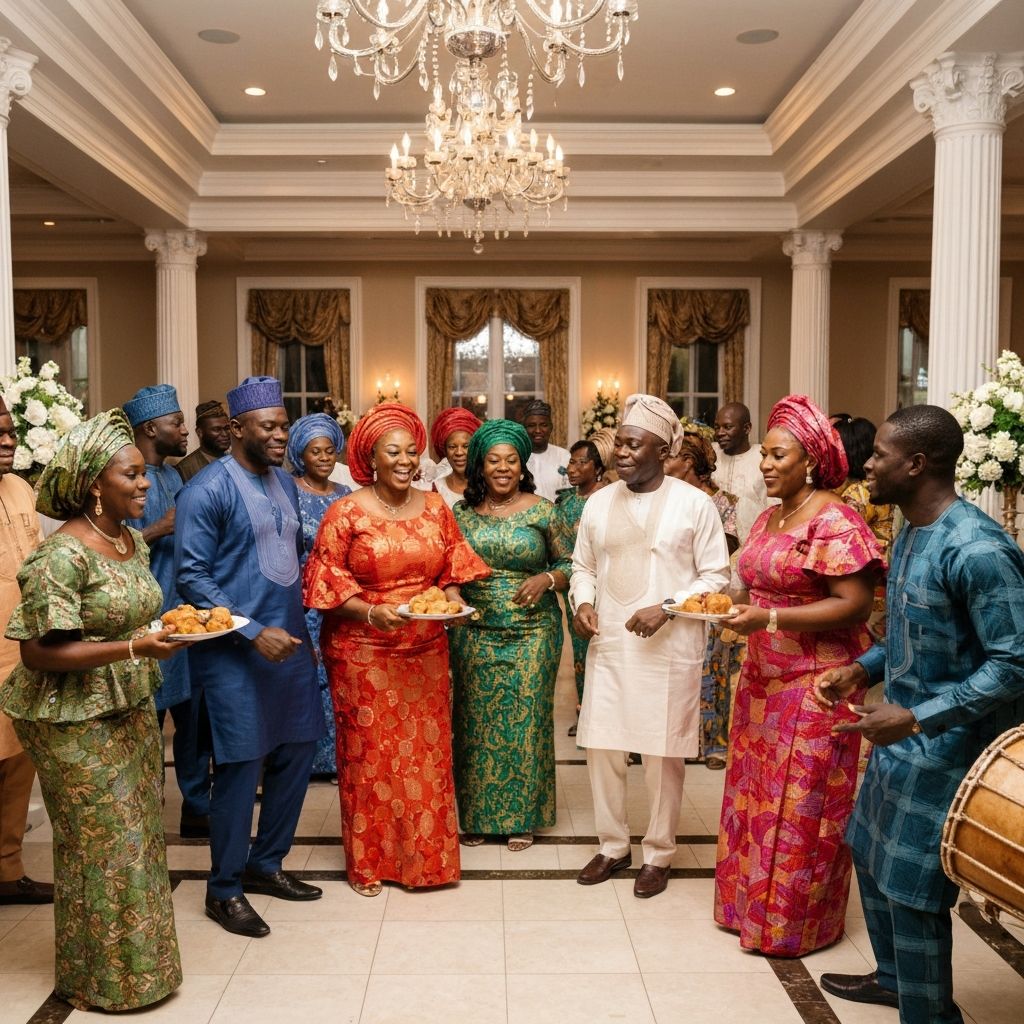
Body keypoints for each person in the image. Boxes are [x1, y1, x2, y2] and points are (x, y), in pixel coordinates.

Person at [815, 405, 1024, 1024]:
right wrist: (862, 670)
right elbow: (911, 630)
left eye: (879, 455)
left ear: (917, 463)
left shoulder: (979, 549)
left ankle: (929, 1014)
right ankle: (892, 980)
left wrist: (915, 719)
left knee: (912, 890)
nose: (867, 464)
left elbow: (1014, 663)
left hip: (954, 747)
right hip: (902, 737)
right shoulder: (910, 530)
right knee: (869, 854)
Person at [0, 409, 184, 1011]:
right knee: (104, 844)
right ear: (93, 486)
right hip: (70, 718)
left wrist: (159, 631)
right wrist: (136, 647)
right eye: (130, 475)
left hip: (128, 703)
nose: (145, 483)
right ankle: (100, 980)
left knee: (139, 836)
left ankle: (142, 974)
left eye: (141, 473)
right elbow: (37, 652)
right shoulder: (62, 556)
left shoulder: (129, 540)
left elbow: (128, 614)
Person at [714, 394, 884, 957]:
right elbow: (756, 584)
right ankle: (747, 911)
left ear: (810, 460)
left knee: (802, 810)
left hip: (816, 686)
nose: (765, 464)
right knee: (757, 800)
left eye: (777, 455)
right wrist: (720, 604)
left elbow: (855, 604)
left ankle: (794, 926)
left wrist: (770, 618)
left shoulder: (836, 520)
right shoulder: (770, 516)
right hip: (761, 681)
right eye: (764, 454)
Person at [303, 402, 489, 896]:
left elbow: (450, 570)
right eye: (394, 452)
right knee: (370, 758)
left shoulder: (435, 507)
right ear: (371, 458)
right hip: (362, 651)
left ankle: (428, 864)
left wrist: (451, 602)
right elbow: (325, 583)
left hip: (425, 649)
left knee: (425, 756)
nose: (406, 460)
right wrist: (370, 613)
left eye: (411, 451)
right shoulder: (345, 513)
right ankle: (370, 864)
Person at [175, 376, 325, 939]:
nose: (282, 435)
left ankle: (267, 864)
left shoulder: (284, 482)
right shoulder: (205, 490)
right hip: (234, 652)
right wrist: (253, 631)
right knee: (240, 767)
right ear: (237, 429)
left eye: (284, 425)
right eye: (269, 426)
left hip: (290, 647)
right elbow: (192, 576)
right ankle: (224, 890)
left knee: (297, 752)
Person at [571, 395, 730, 898]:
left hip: (669, 647)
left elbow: (716, 575)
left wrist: (667, 606)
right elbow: (583, 566)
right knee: (603, 746)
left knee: (662, 754)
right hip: (610, 644)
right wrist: (582, 602)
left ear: (663, 452)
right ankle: (613, 845)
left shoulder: (694, 504)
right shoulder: (598, 502)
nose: (620, 452)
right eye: (618, 442)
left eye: (633, 444)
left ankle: (658, 853)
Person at [448, 420, 572, 853]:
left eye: (511, 460)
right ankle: (478, 816)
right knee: (474, 721)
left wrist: (547, 579)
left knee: (526, 718)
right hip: (473, 629)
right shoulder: (460, 514)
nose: (503, 468)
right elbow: (446, 567)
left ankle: (523, 817)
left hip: (533, 630)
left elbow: (573, 563)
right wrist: (452, 598)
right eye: (493, 461)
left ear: (523, 466)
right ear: (480, 467)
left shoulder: (544, 511)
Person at [123, 384, 209, 838]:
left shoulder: (176, 477)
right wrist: (158, 528)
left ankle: (196, 809)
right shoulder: (124, 478)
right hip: (146, 622)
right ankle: (146, 815)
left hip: (186, 619)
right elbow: (112, 549)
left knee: (193, 723)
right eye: (176, 422)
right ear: (151, 429)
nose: (184, 430)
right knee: (148, 725)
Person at [0, 397, 51, 907]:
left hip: (22, 657)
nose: (8, 441)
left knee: (18, 763)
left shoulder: (20, 488)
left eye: (11, 431)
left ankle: (8, 871)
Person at [665, 433, 740, 769]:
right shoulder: (667, 500)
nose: (665, 463)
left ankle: (713, 746)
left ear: (688, 462)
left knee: (713, 670)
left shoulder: (724, 502)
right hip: (670, 596)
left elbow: (725, 548)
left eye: (672, 457)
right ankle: (675, 740)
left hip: (709, 597)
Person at [286, 412, 351, 777]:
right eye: (316, 452)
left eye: (329, 450)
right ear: (301, 455)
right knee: (309, 675)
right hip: (303, 598)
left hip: (341, 601)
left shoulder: (346, 495)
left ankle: (336, 759)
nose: (325, 458)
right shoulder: (289, 492)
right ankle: (307, 760)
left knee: (338, 675)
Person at [555, 433, 613, 735]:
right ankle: (585, 715)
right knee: (580, 652)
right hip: (577, 586)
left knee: (608, 651)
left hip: (610, 587)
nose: (572, 468)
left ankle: (610, 718)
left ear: (598, 467)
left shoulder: (610, 499)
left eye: (581, 462)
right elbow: (561, 549)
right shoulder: (565, 504)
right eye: (571, 462)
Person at [834, 415, 896, 641]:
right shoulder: (881, 487)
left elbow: (839, 545)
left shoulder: (857, 495)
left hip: (867, 592)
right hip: (885, 589)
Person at [712, 401, 774, 544]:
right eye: (717, 427)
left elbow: (774, 507)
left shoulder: (763, 458)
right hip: (713, 542)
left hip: (753, 543)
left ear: (747, 428)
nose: (720, 433)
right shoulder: (710, 455)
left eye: (728, 427)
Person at [430, 406, 482, 508]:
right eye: (452, 447)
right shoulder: (437, 488)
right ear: (445, 451)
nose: (459, 452)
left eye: (466, 446)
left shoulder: (487, 486)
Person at [522, 399, 571, 502]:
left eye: (543, 425)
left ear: (551, 428)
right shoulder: (518, 457)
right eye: (531, 425)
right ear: (524, 428)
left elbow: (570, 492)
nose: (538, 430)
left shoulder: (564, 456)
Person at [175, 399, 231, 483]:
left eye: (227, 428)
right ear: (199, 433)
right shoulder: (184, 469)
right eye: (216, 429)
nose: (224, 434)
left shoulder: (235, 460)